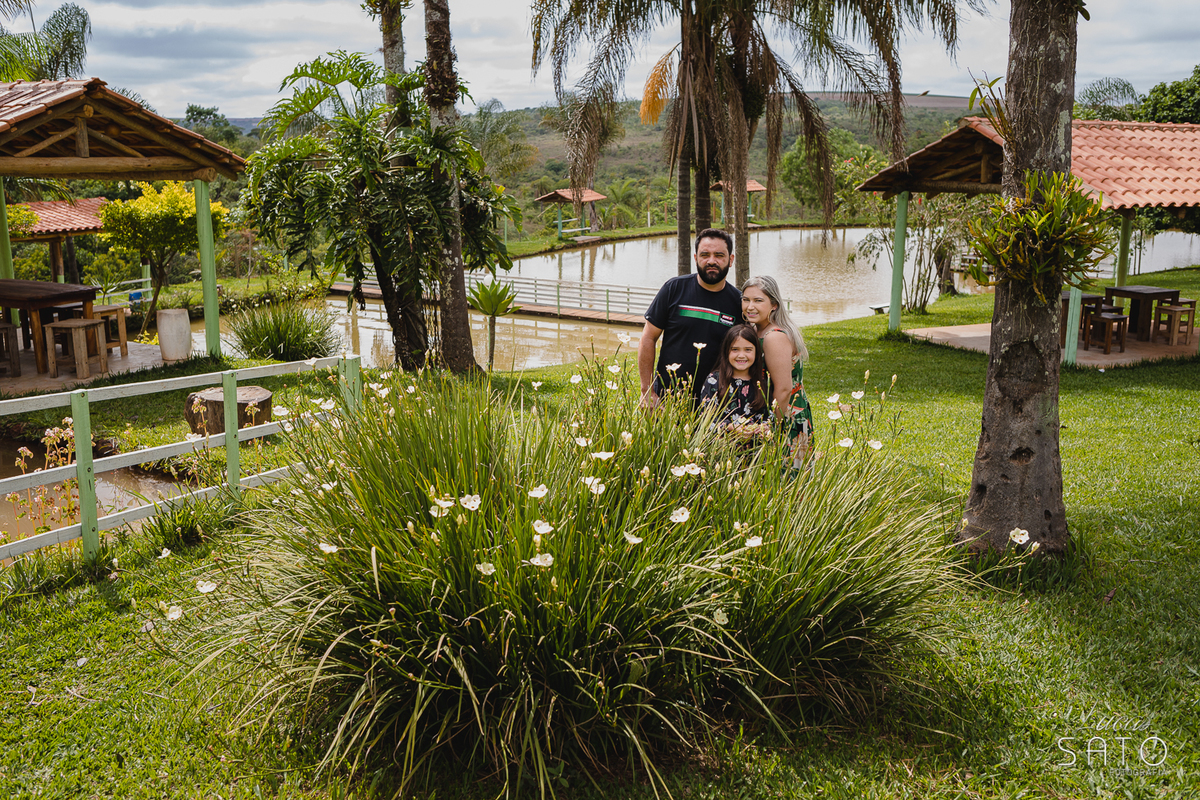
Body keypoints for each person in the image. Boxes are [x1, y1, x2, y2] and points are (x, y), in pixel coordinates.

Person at [638, 229, 742, 407]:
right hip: (667, 400)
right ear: (695, 258)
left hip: (716, 405)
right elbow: (648, 337)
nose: (711, 261)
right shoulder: (674, 289)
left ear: (730, 260)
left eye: (719, 255)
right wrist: (647, 390)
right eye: (705, 254)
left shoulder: (738, 303)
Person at [740, 275, 814, 461]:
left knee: (785, 479)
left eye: (758, 300)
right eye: (746, 300)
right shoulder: (758, 329)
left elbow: (783, 389)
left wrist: (772, 428)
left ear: (774, 304)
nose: (750, 306)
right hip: (775, 413)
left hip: (785, 416)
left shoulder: (774, 337)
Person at [698, 324, 771, 431]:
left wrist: (762, 428)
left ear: (756, 352)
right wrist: (730, 427)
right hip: (721, 445)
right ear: (726, 351)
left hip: (753, 445)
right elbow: (705, 418)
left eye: (748, 350)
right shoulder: (714, 380)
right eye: (735, 349)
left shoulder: (761, 382)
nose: (741, 355)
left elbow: (768, 417)